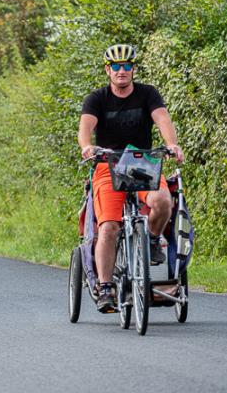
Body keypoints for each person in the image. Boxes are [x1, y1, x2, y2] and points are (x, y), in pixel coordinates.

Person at [78, 44, 184, 313]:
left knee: (162, 202)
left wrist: (172, 144)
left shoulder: (148, 94)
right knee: (108, 227)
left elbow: (162, 119)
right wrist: (87, 147)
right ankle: (105, 288)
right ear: (108, 70)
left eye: (127, 66)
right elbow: (86, 128)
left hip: (143, 162)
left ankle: (150, 239)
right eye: (116, 66)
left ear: (134, 69)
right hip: (107, 164)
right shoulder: (96, 99)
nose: (121, 71)